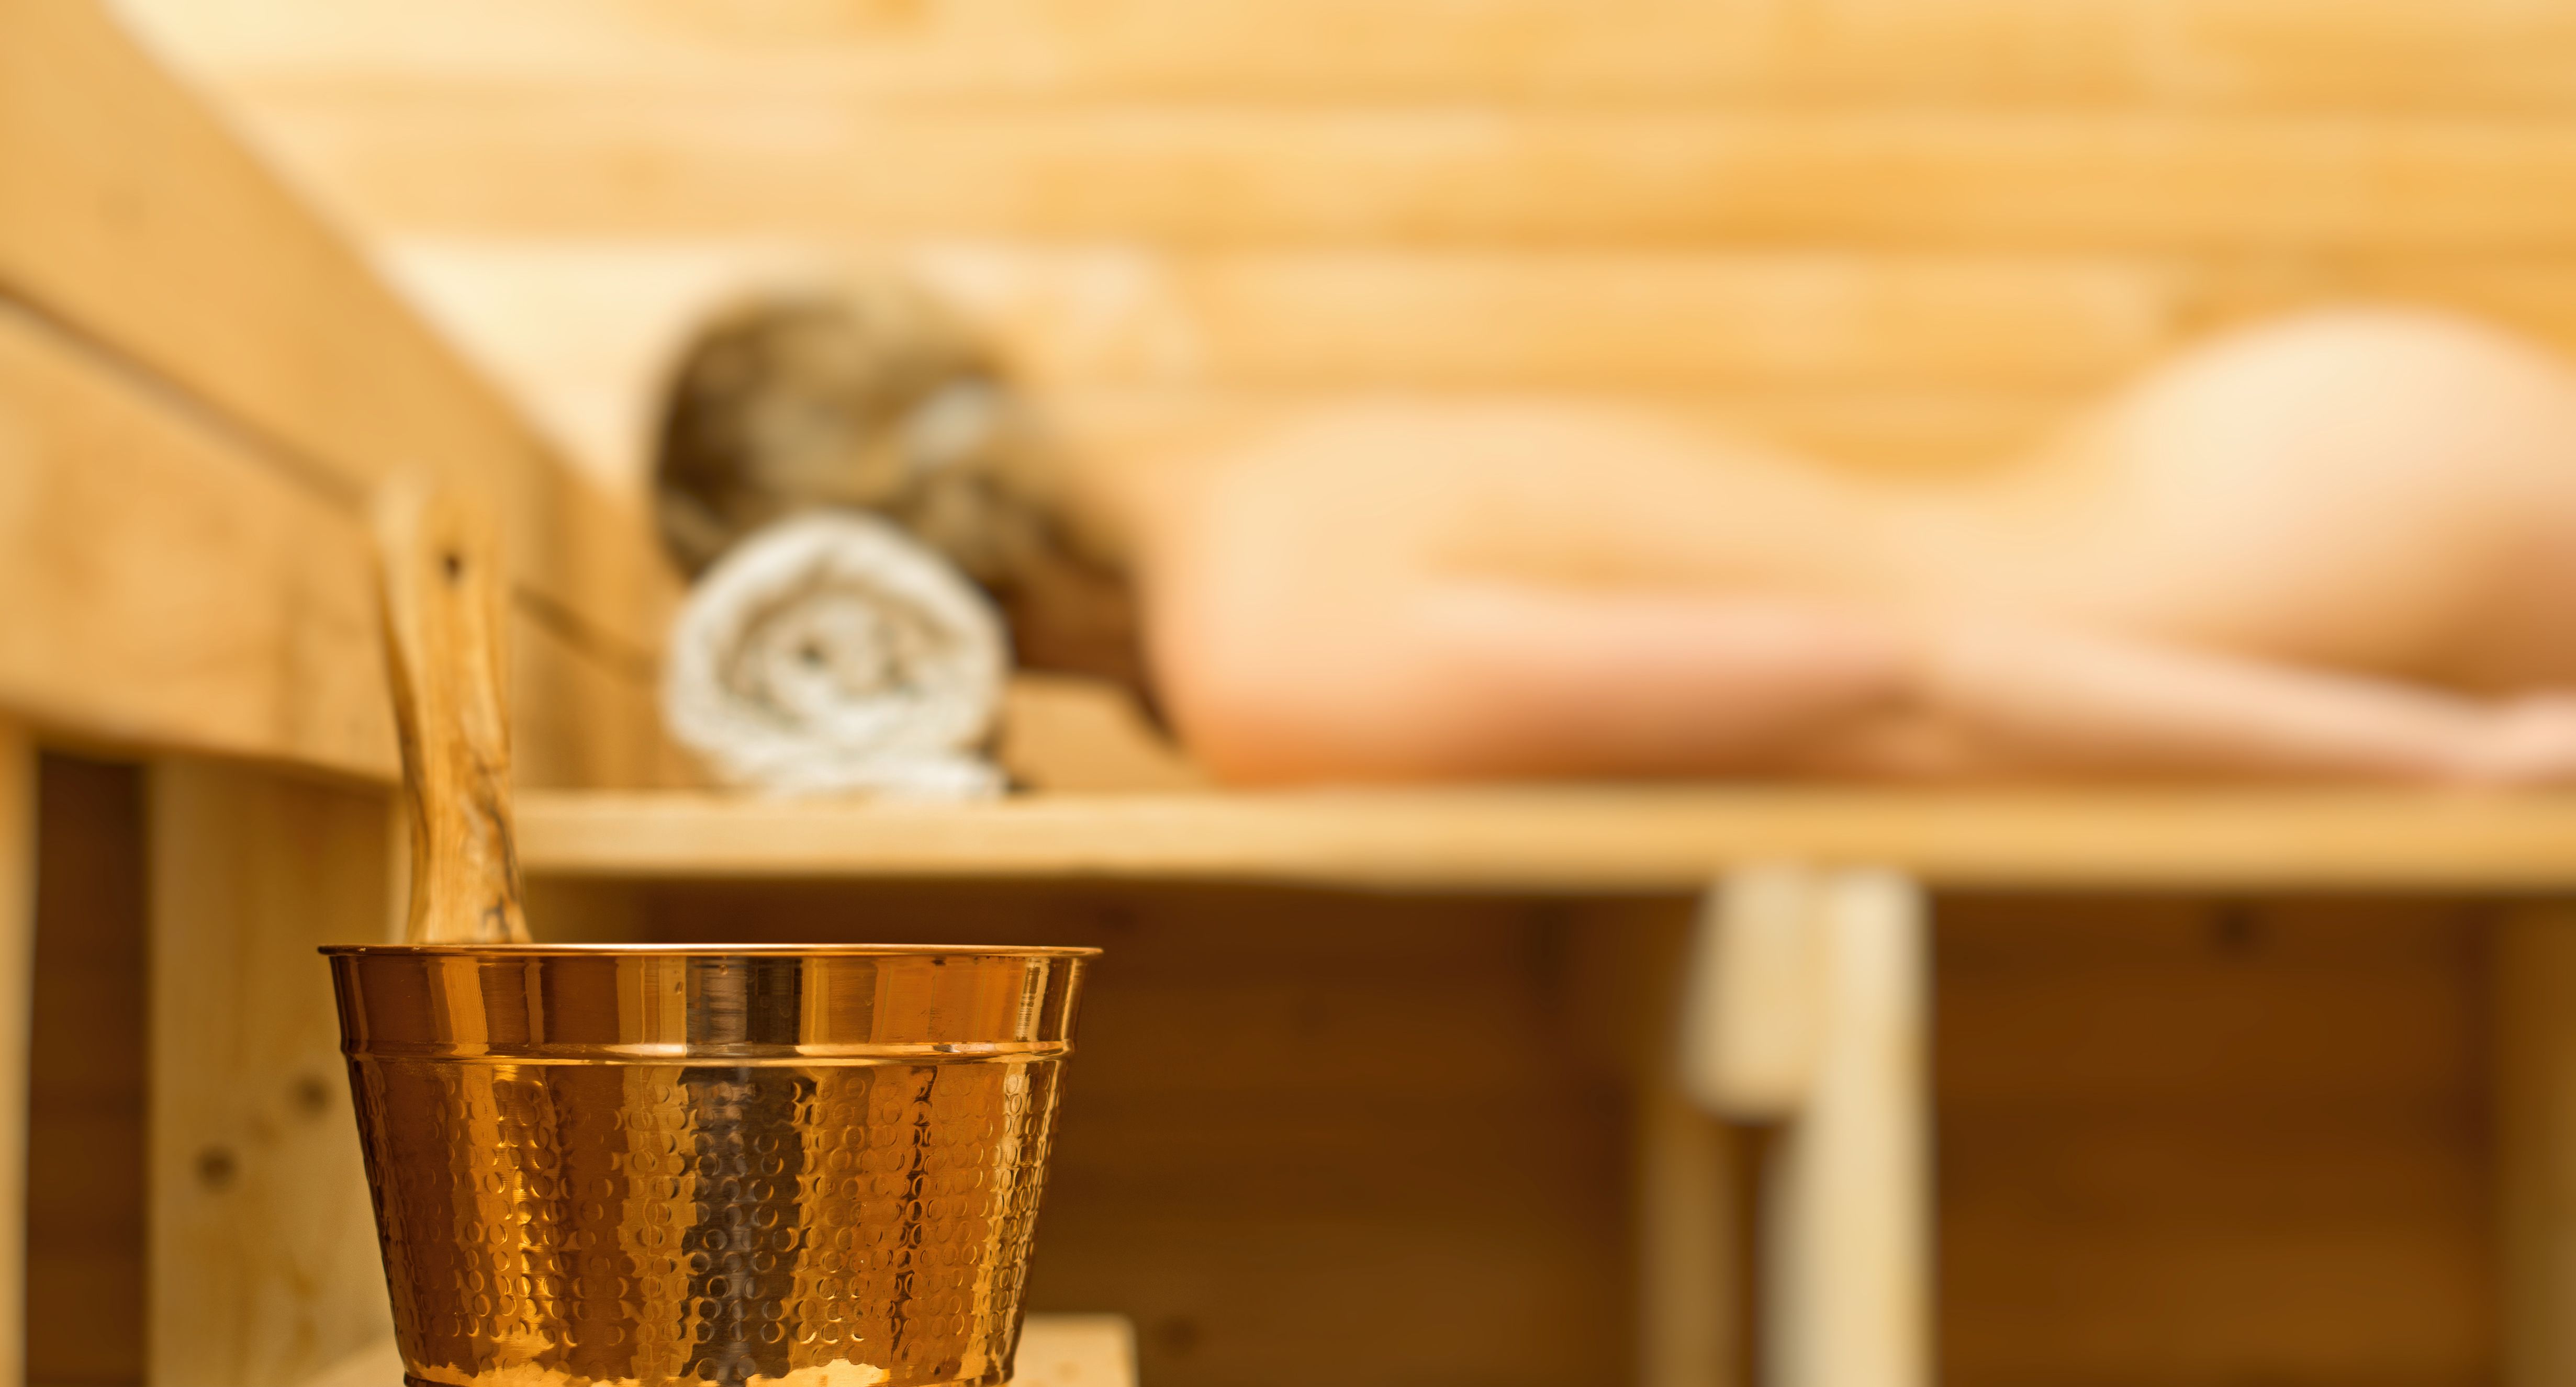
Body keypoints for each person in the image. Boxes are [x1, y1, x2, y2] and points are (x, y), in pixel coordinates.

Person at [659, 300, 2576, 787]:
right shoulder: (1261, 493)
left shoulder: (1268, 656)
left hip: (2308, 572)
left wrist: (2454, 764)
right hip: (2294, 474)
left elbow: (1898, 674)